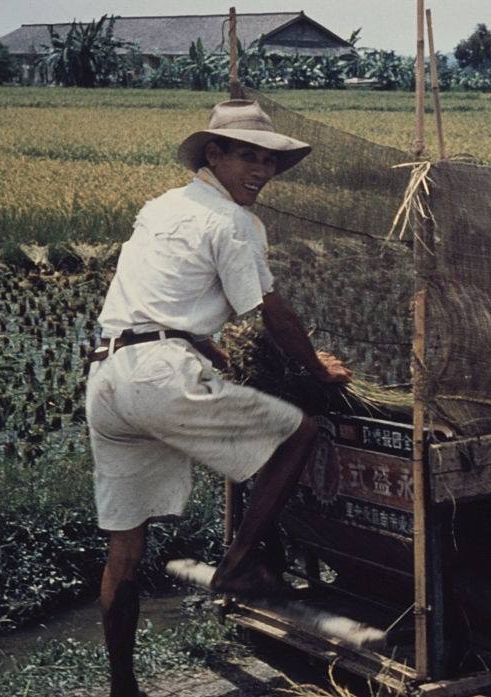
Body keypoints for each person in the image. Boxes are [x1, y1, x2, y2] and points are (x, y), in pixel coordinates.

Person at [85, 99, 352, 697]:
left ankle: (122, 688)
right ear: (214, 153)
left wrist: (205, 349)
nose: (261, 172)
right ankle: (240, 563)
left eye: (270, 162)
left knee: (125, 545)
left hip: (108, 376)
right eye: (248, 157)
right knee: (299, 431)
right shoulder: (233, 222)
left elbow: (155, 300)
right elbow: (271, 311)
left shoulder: (162, 206)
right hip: (158, 376)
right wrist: (315, 369)